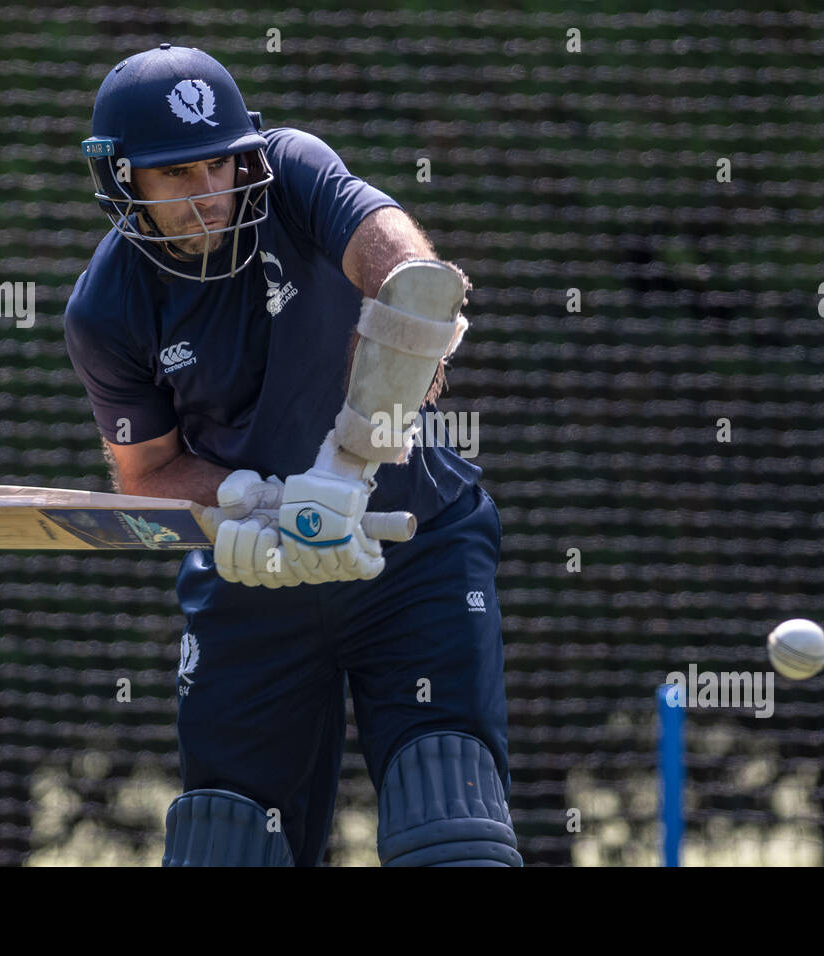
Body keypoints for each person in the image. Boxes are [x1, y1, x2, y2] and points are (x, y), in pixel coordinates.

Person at [64, 43, 521, 866]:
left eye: (220, 166)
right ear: (123, 180)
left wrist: (345, 468)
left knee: (449, 828)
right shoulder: (105, 310)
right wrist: (262, 506)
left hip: (412, 545)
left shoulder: (294, 171)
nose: (210, 197)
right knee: (229, 845)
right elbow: (147, 475)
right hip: (251, 574)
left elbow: (416, 286)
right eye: (177, 177)